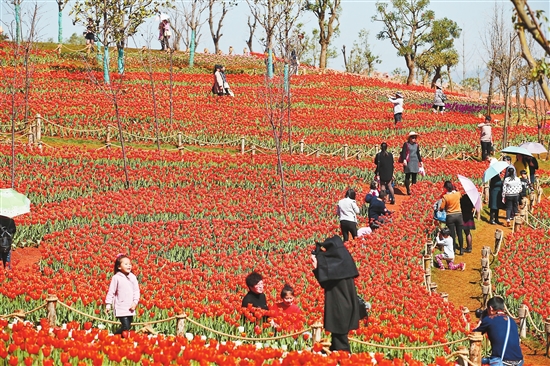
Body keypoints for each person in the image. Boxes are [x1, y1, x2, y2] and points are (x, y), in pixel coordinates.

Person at [311, 235, 360, 352]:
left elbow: (325, 283)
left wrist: (316, 267)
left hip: (338, 308)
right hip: (348, 305)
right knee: (338, 339)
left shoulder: (333, 267)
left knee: (341, 345)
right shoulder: (345, 261)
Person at [473, 296, 524, 366]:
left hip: (502, 361)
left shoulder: (489, 319)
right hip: (519, 361)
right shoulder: (511, 320)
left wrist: (481, 320)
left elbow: (474, 334)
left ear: (490, 308)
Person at [105, 254, 140, 338]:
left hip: (131, 307)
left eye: (130, 264)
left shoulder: (133, 277)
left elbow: (136, 291)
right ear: (119, 267)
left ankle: (120, 341)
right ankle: (114, 337)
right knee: (126, 327)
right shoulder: (116, 278)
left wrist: (135, 302)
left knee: (128, 327)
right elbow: (111, 292)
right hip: (121, 307)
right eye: (126, 264)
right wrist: (108, 304)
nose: (129, 265)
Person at [439, 181, 465, 255]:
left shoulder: (445, 197)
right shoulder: (458, 194)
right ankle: (461, 249)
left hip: (450, 216)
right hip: (459, 215)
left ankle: (453, 250)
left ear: (446, 188)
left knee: (452, 234)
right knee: (460, 233)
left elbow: (442, 207)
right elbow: (460, 196)